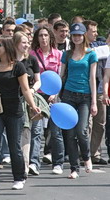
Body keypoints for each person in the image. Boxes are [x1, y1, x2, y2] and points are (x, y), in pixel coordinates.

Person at [0, 36, 40, 193]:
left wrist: (33, 106)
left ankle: (19, 177)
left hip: (14, 111)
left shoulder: (18, 67)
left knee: (14, 146)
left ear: (7, 47)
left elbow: (25, 89)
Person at [60, 23, 98, 179]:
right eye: (74, 35)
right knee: (69, 133)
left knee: (82, 131)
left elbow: (92, 79)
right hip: (68, 94)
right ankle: (74, 168)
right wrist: (56, 95)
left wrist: (94, 101)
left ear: (84, 36)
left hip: (85, 96)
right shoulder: (67, 54)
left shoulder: (91, 54)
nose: (76, 37)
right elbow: (61, 75)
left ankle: (86, 157)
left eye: (79, 35)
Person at [30, 26, 63, 175]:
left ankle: (58, 163)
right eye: (40, 36)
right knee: (36, 130)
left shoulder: (58, 54)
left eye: (46, 35)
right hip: (37, 94)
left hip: (53, 95)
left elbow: (60, 76)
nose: (43, 38)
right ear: (37, 38)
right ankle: (34, 163)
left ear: (50, 37)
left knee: (55, 131)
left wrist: (55, 93)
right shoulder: (32, 54)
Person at [12, 31, 41, 175]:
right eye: (23, 42)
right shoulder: (9, 60)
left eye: (27, 42)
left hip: (27, 99)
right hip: (11, 100)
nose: (26, 45)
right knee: (13, 135)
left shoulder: (32, 60)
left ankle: (25, 166)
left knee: (26, 132)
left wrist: (33, 90)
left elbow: (38, 80)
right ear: (16, 43)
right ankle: (15, 163)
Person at [83, 20, 108, 165]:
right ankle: (84, 153)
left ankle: (94, 153)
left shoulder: (99, 46)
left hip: (99, 90)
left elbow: (106, 49)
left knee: (100, 123)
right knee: (87, 124)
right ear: (85, 32)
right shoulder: (79, 48)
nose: (96, 33)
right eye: (93, 31)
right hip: (85, 90)